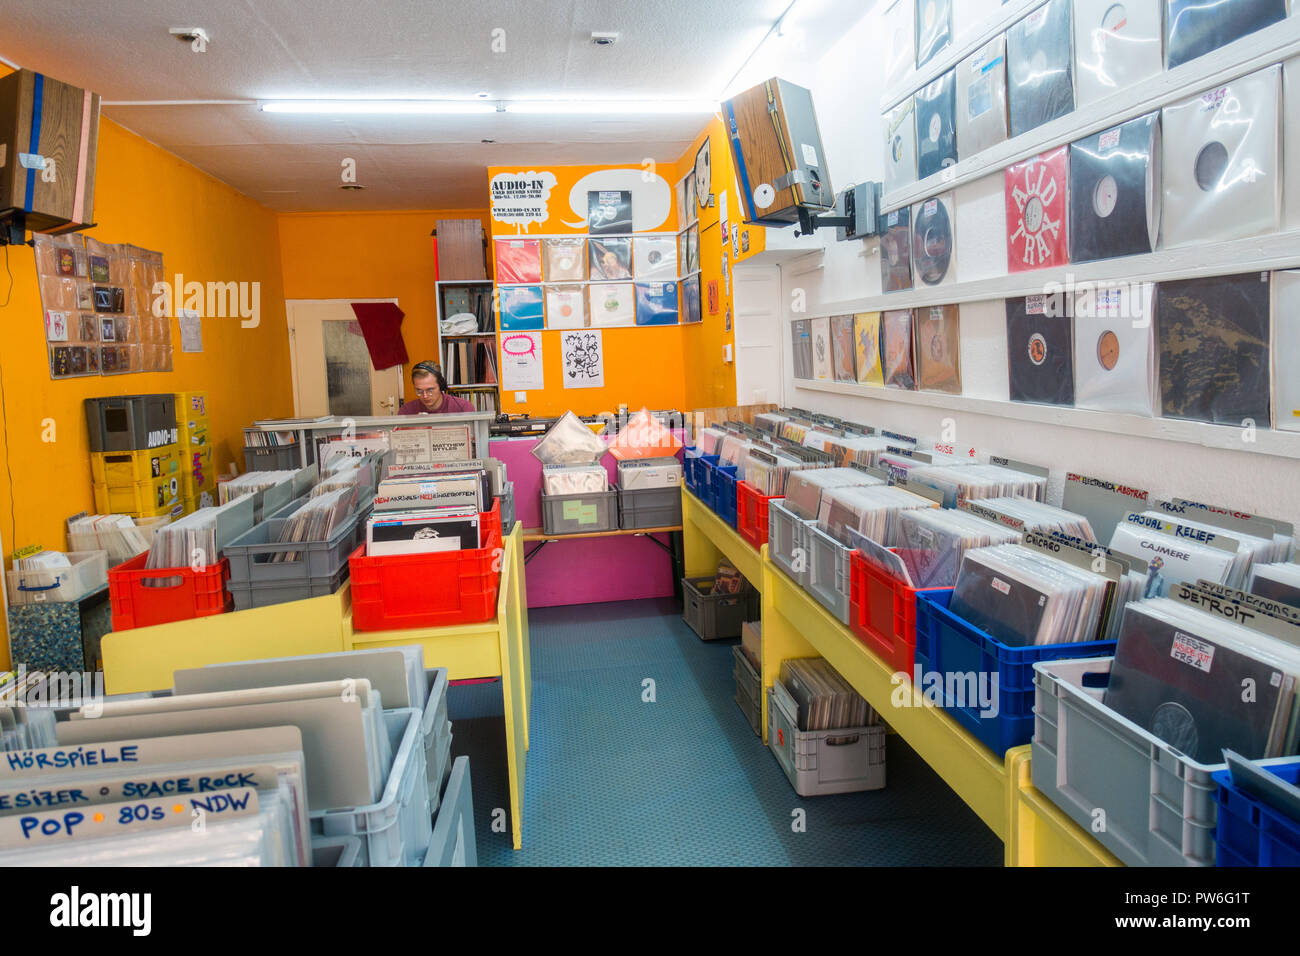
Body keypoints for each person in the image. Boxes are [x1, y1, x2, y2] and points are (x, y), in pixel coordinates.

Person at [398, 361, 476, 415]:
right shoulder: (406, 411)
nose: (425, 396)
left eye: (430, 390)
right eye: (419, 391)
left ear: (441, 385)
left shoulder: (463, 408)